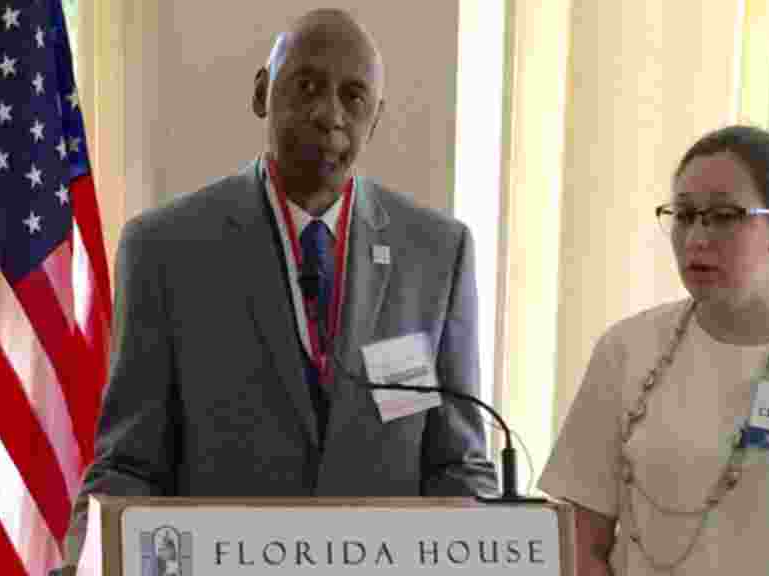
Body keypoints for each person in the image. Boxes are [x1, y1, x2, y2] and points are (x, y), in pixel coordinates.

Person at [62, 8, 496, 565]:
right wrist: (87, 562)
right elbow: (129, 464)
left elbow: (458, 464)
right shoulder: (164, 250)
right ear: (263, 92)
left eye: (353, 96)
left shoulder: (438, 254)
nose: (328, 114)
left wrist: (488, 548)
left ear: (376, 119)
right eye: (307, 85)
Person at [538, 125, 769, 575]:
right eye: (683, 215)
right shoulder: (625, 350)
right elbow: (581, 541)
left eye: (723, 216)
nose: (696, 239)